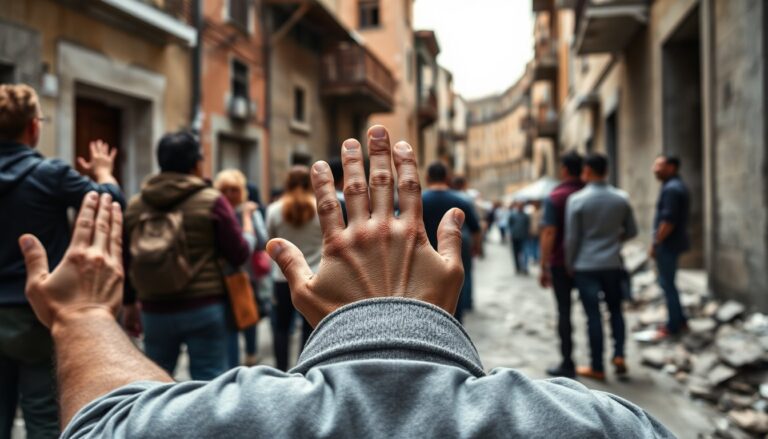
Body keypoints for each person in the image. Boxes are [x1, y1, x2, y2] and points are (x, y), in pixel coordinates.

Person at [16, 125, 673, 438]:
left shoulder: (235, 418)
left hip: (162, 310)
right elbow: (235, 247)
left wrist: (84, 317)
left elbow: (109, 422)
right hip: (213, 307)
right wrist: (397, 316)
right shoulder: (599, 423)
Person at [0, 84, 124, 438]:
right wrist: (102, 172)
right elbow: (110, 204)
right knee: (43, 417)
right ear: (33, 127)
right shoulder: (50, 174)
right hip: (37, 314)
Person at [122, 131, 249, 381]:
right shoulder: (212, 200)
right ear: (196, 164)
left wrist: (129, 304)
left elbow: (127, 259)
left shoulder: (136, 205)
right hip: (205, 305)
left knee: (156, 384)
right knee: (209, 384)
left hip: (154, 308)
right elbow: (239, 253)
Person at [565, 154, 638, 381]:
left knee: (593, 316)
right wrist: (614, 240)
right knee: (616, 311)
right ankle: (619, 355)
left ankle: (597, 366)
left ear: (586, 170)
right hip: (612, 264)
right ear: (606, 170)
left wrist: (570, 264)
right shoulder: (621, 198)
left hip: (586, 265)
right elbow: (632, 231)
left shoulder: (577, 200)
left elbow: (572, 239)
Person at [266, 166, 321, 371]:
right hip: (314, 275)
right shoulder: (319, 208)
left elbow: (270, 241)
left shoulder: (274, 210)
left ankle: (281, 371)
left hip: (283, 278)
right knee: (310, 328)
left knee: (281, 327)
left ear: (287, 183)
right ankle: (305, 370)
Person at [214, 170, 268, 367]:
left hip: (246, 276)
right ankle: (236, 366)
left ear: (242, 191)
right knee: (233, 325)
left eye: (234, 189)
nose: (229, 194)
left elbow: (263, 241)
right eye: (224, 190)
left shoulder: (248, 212)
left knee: (248, 317)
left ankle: (251, 355)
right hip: (227, 277)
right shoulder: (219, 212)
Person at [539, 151, 584, 378]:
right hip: (587, 263)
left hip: (559, 262)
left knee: (564, 312)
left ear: (564, 170)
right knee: (593, 312)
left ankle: (568, 361)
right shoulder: (587, 192)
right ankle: (601, 361)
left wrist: (543, 265)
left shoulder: (555, 196)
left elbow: (549, 232)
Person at [422, 161, 481, 323]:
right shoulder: (460, 200)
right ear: (447, 178)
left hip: (426, 252)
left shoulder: (419, 200)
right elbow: (476, 228)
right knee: (458, 284)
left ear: (427, 178)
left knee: (428, 289)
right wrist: (476, 247)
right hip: (458, 249)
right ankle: (456, 322)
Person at [651, 155, 690, 339]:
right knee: (669, 283)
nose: (655, 169)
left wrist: (656, 242)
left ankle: (674, 325)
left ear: (672, 167)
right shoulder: (673, 186)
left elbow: (668, 221)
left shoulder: (672, 189)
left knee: (667, 284)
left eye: (660, 165)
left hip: (668, 244)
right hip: (671, 243)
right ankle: (680, 320)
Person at [507, 201, 530, 275]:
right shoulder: (513, 215)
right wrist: (510, 234)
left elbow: (528, 226)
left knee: (525, 252)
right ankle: (517, 267)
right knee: (515, 253)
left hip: (524, 237)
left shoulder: (526, 216)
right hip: (515, 237)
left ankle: (524, 267)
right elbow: (510, 225)